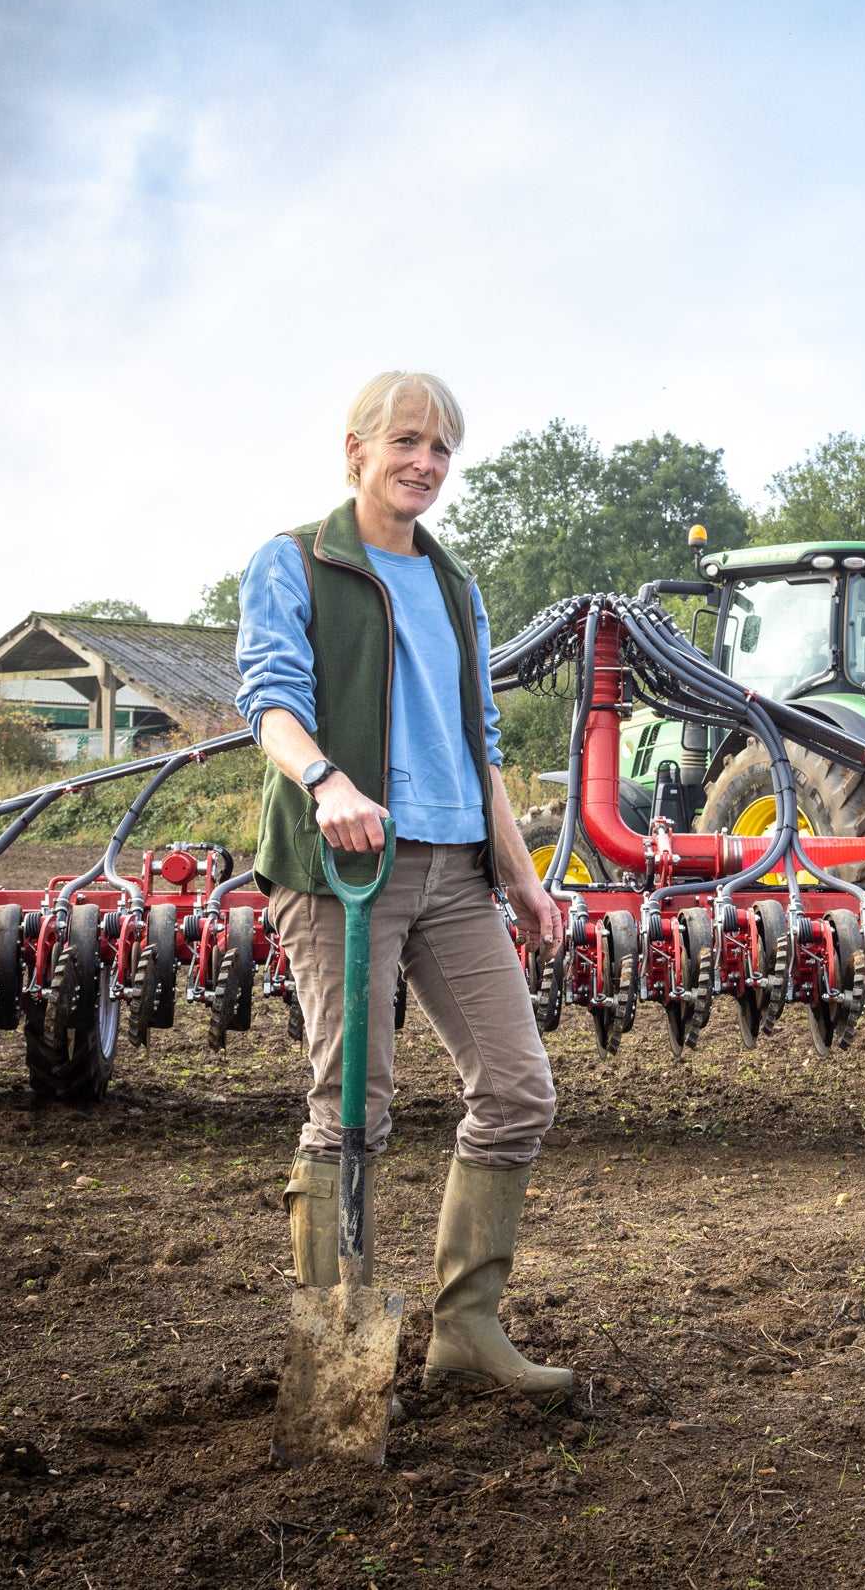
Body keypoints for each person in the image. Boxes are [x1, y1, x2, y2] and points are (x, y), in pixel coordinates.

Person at [234, 369, 571, 1401]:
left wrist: (520, 876)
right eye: (407, 442)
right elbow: (271, 702)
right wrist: (326, 778)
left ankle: (465, 1328)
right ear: (356, 450)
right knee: (353, 1107)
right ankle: (338, 1366)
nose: (424, 463)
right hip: (346, 867)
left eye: (440, 450)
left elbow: (481, 746)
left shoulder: (456, 586)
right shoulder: (294, 561)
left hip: (454, 870)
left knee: (517, 1089)